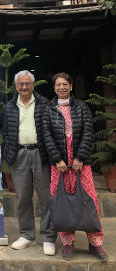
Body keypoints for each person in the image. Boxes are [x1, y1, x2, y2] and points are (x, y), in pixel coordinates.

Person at [43, 72, 108, 262]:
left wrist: (80, 158)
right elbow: (47, 136)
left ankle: (95, 243)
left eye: (65, 84)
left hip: (81, 164)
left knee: (89, 200)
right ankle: (68, 243)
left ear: (71, 87)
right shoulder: (49, 109)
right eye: (58, 85)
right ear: (54, 88)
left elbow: (88, 132)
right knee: (62, 203)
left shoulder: (82, 107)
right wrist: (57, 159)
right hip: (60, 166)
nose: (61, 88)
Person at [3, 70, 56, 256]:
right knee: (23, 198)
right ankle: (26, 235)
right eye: (21, 84)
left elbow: (51, 130)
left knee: (46, 198)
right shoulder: (10, 106)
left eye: (27, 84)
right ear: (16, 86)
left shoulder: (45, 104)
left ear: (33, 85)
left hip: (40, 154)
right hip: (19, 154)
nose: (24, 87)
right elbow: (6, 131)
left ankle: (48, 238)